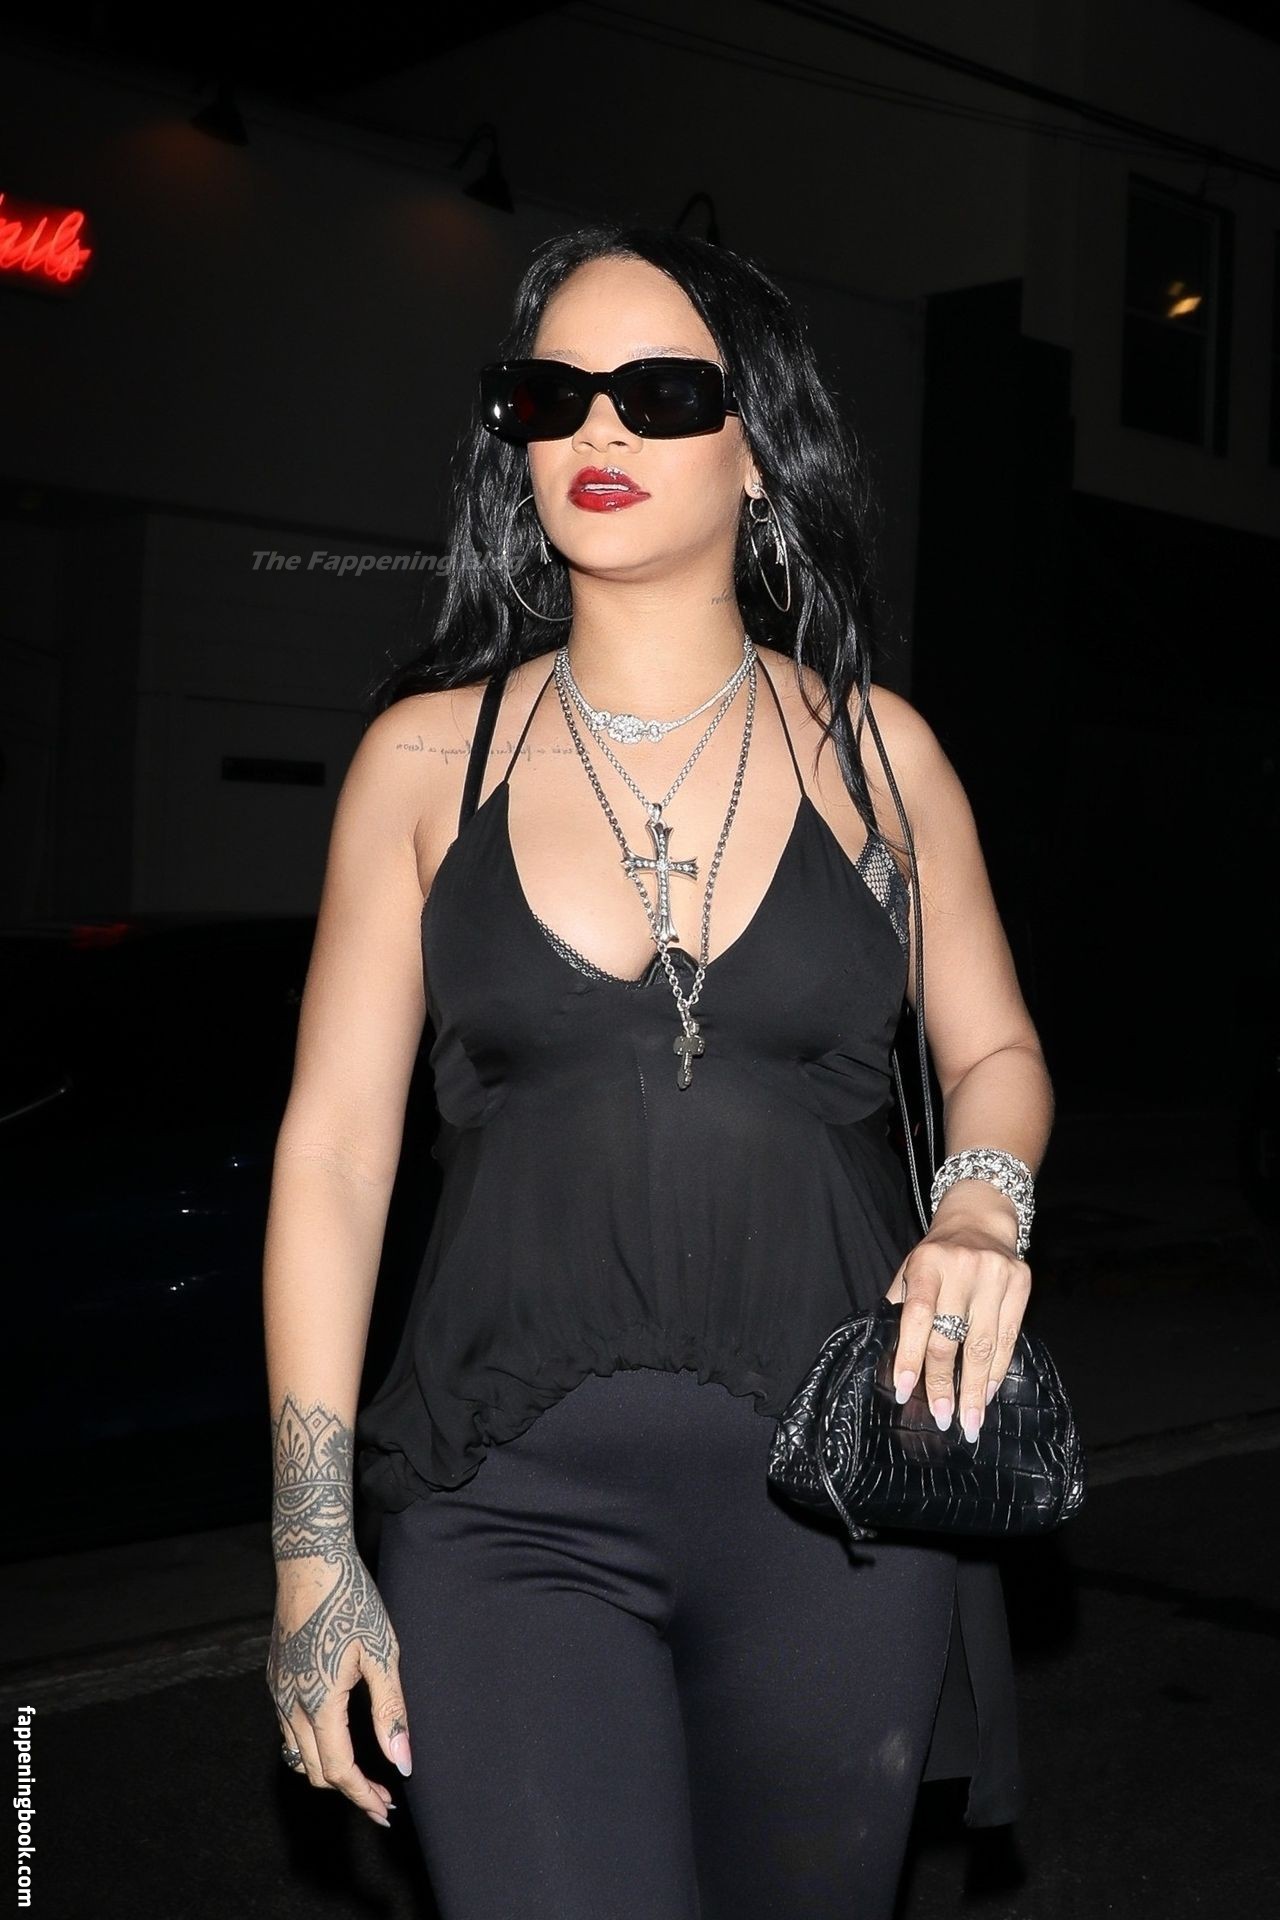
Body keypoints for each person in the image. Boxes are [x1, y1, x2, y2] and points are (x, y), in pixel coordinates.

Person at [263, 222, 1054, 1919]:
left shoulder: (881, 754)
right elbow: (333, 1159)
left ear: (761, 446)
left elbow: (994, 1050)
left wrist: (984, 1206)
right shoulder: (424, 760)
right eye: (551, 396)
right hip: (501, 1511)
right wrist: (310, 1548)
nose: (597, 430)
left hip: (841, 1509)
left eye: (660, 393)